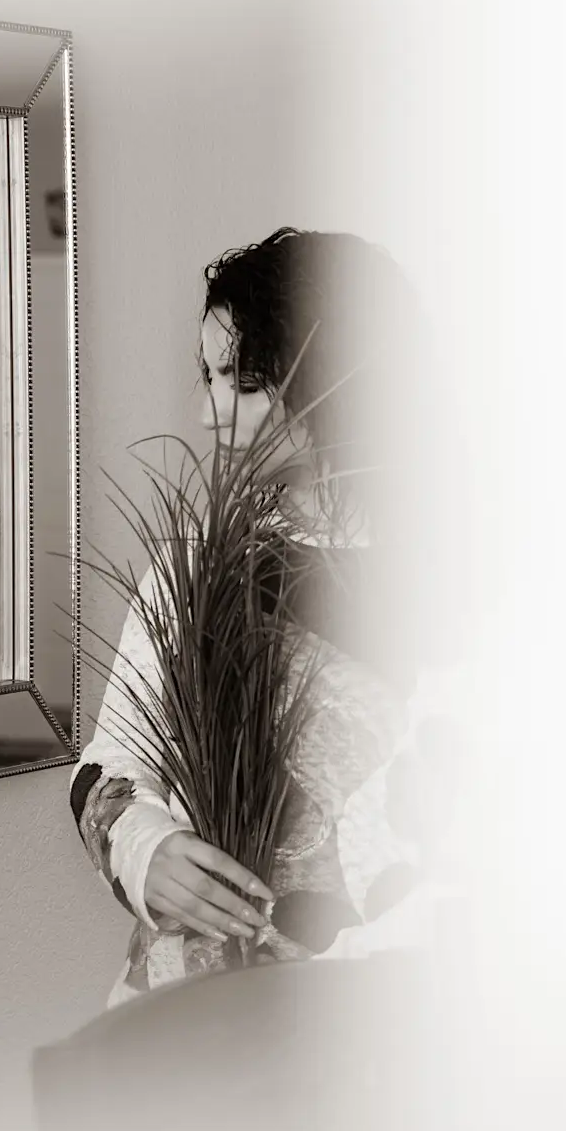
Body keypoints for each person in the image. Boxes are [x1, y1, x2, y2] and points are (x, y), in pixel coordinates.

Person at [70, 228, 457, 1005]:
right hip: (192, 999)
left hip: (385, 1005)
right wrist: (149, 849)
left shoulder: (462, 573)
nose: (207, 411)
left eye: (241, 381)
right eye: (206, 375)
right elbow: (107, 758)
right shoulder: (201, 560)